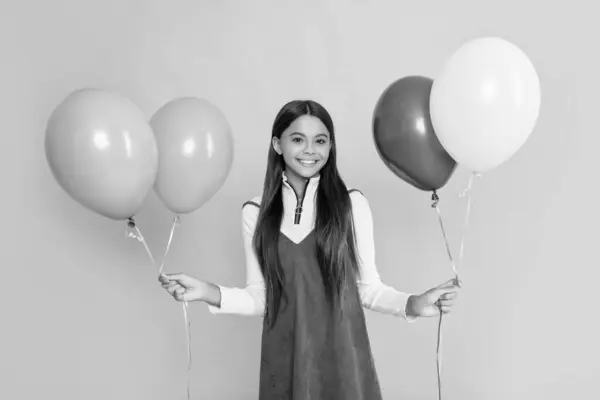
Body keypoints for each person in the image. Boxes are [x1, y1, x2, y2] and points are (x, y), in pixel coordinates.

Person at [159, 100, 461, 400]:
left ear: (330, 146)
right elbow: (262, 298)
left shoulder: (351, 205)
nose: (310, 151)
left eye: (320, 141)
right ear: (277, 144)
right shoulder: (256, 212)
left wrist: (414, 304)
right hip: (286, 362)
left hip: (344, 363)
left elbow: (367, 289)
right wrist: (205, 291)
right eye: (297, 140)